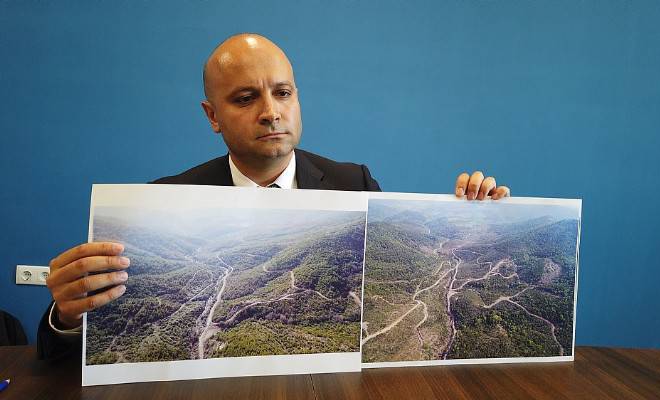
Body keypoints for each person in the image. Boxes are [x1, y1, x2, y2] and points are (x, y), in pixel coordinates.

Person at [37, 34, 511, 359]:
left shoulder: (355, 184)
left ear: (297, 99)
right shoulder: (163, 204)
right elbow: (77, 353)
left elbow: (411, 289)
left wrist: (477, 222)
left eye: (282, 93)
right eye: (245, 99)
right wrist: (67, 314)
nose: (270, 113)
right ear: (212, 115)